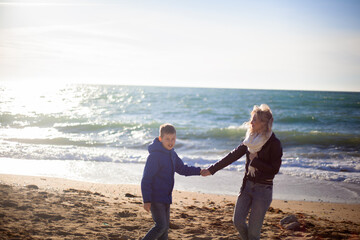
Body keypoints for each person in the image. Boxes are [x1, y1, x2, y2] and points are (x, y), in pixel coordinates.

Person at [201, 104, 282, 240]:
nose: (251, 122)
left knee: (254, 233)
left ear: (263, 123)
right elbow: (232, 155)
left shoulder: (274, 143)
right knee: (237, 221)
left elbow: (274, 169)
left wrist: (256, 161)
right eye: (252, 118)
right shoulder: (249, 140)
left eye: (255, 120)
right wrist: (211, 170)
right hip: (247, 186)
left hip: (263, 190)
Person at [141, 123, 202, 240]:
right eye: (167, 139)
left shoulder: (172, 154)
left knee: (164, 231)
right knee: (161, 226)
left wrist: (199, 171)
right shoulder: (155, 156)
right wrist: (147, 200)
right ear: (160, 139)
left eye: (173, 139)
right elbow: (146, 179)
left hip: (166, 198)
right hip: (155, 197)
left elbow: (183, 169)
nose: (170, 142)